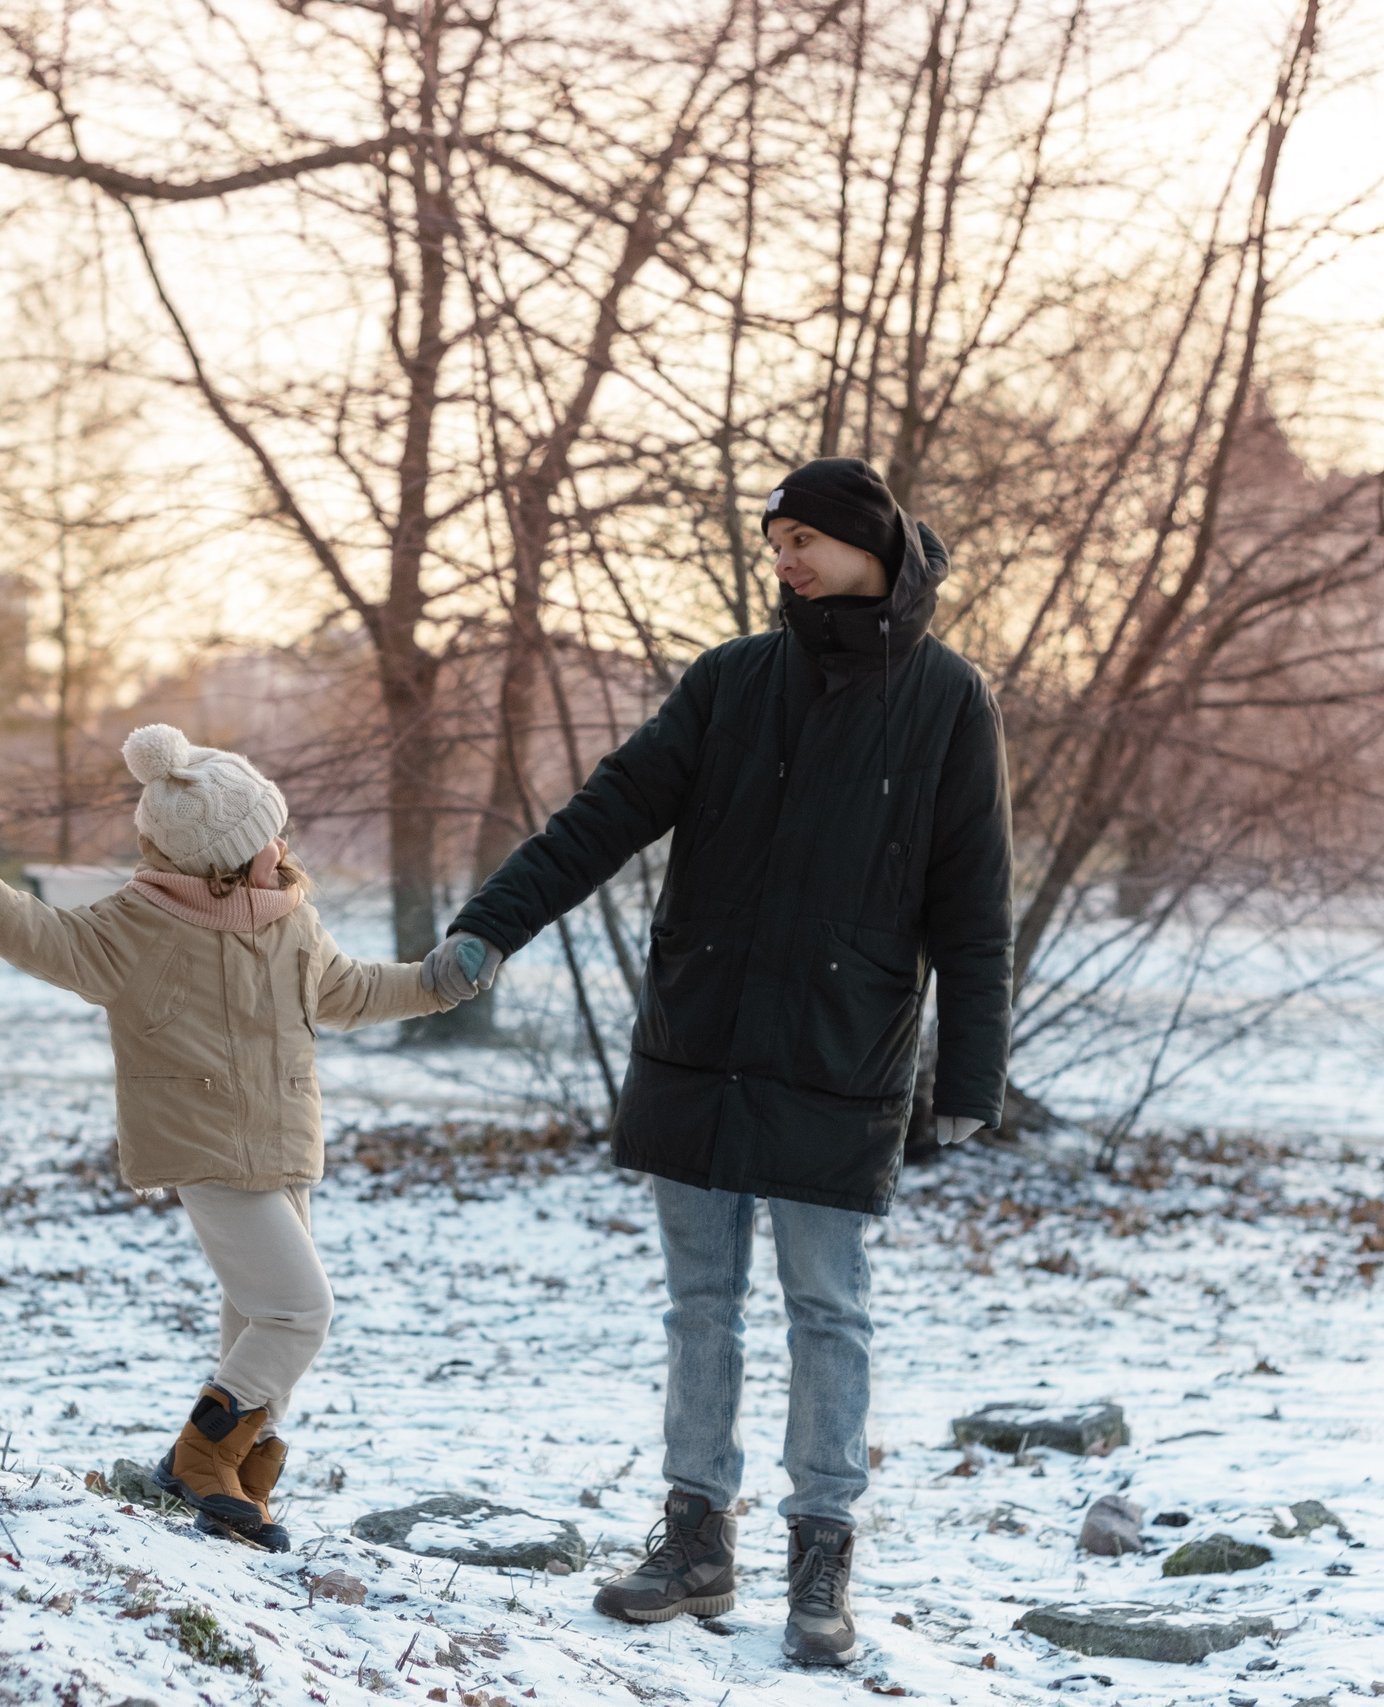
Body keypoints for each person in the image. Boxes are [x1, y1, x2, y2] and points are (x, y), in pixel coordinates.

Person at [428, 457, 1012, 1664]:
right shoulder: (732, 680)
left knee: (827, 1308)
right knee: (700, 1305)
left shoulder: (949, 699)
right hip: (701, 1040)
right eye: (774, 542)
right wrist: (491, 925)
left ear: (867, 543)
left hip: (839, 1053)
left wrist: (968, 1077)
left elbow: (973, 904)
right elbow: (605, 813)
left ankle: (821, 1554)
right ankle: (694, 1540)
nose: (784, 561)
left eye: (803, 540)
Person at [0, 726, 462, 1551]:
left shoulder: (292, 920)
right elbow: (41, 934)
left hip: (285, 1143)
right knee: (300, 1311)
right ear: (222, 861)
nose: (282, 848)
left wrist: (434, 982)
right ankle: (196, 1457)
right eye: (268, 837)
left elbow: (350, 989)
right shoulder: (136, 927)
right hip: (205, 1145)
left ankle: (239, 1483)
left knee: (258, 1322)